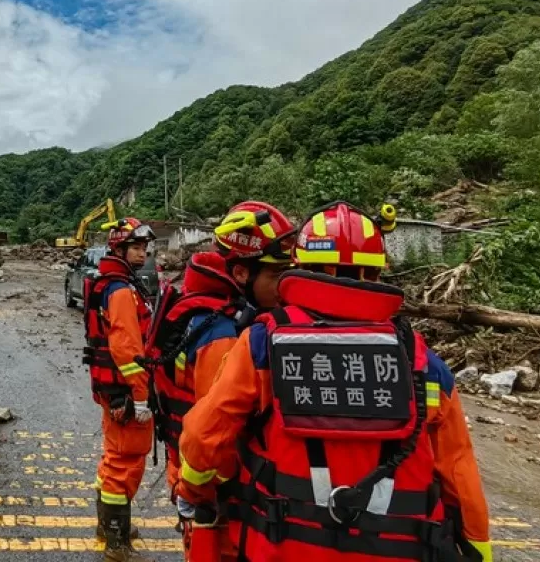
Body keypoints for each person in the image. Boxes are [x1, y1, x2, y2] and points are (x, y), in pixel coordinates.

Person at [175, 201, 493, 562]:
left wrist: (194, 491)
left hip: (280, 547)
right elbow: (459, 474)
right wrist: (477, 546)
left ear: (301, 268)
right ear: (375, 274)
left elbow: (204, 437)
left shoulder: (263, 343)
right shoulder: (420, 361)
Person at [146, 201, 295, 559]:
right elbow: (214, 438)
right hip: (217, 496)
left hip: (196, 478)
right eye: (277, 276)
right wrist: (198, 492)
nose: (286, 287)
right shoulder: (223, 334)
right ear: (242, 273)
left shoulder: (212, 313)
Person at [82, 217, 159, 561]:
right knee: (125, 462)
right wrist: (140, 397)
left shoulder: (108, 283)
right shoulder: (122, 291)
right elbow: (128, 350)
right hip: (125, 393)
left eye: (144, 247)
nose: (143, 253)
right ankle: (116, 541)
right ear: (120, 249)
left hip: (110, 388)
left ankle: (109, 524)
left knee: (114, 456)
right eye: (136, 247)